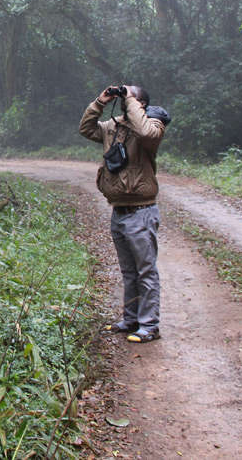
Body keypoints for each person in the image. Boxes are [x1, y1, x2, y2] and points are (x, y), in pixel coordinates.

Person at [79, 85, 171, 343]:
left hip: (142, 211)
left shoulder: (153, 125)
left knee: (146, 271)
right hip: (118, 210)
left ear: (139, 103)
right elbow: (86, 129)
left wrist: (132, 99)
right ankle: (131, 320)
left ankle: (150, 325)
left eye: (128, 98)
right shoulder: (113, 127)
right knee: (129, 271)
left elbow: (144, 131)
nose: (123, 101)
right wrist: (100, 101)